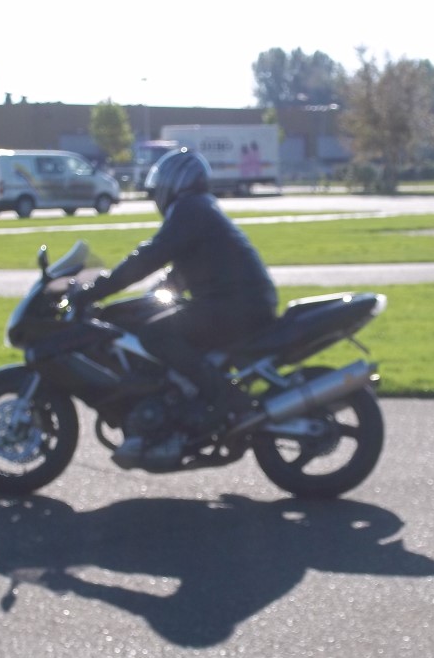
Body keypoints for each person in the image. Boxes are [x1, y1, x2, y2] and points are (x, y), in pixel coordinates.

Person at [69, 147, 278, 466]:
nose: (156, 193)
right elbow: (180, 272)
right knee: (160, 325)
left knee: (155, 334)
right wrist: (147, 298)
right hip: (240, 302)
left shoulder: (190, 208)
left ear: (175, 180)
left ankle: (227, 400)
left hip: (236, 305)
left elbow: (150, 256)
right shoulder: (200, 208)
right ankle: (187, 401)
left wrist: (94, 291)